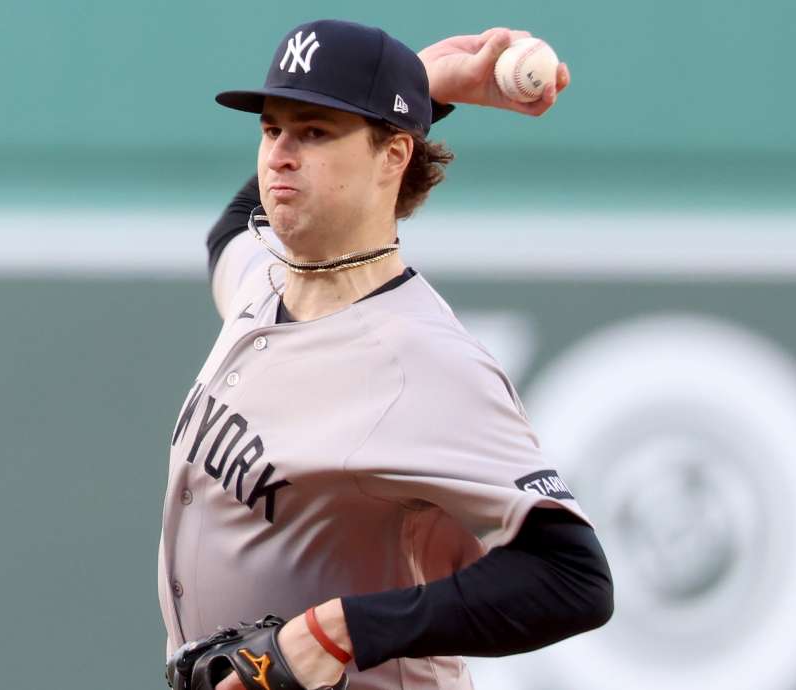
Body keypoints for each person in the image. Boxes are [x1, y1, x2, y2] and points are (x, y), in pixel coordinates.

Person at [159, 19, 613, 690]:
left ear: (394, 157)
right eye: (271, 129)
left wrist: (342, 631)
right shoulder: (266, 284)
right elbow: (232, 229)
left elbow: (573, 579)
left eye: (314, 131)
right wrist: (419, 85)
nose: (281, 153)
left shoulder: (419, 361)